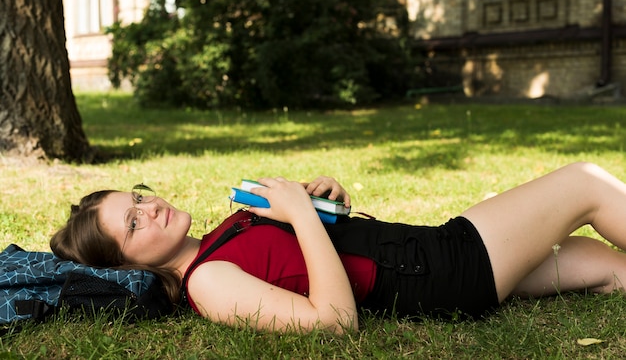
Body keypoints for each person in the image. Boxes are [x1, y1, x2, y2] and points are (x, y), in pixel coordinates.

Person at [50, 162, 626, 334]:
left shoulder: (226, 230)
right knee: (586, 184)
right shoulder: (207, 281)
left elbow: (319, 254)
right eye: (133, 223)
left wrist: (326, 206)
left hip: (421, 250)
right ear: (127, 264)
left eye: (140, 199)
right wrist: (302, 217)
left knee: (607, 267)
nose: (150, 209)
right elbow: (332, 320)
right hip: (438, 271)